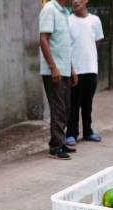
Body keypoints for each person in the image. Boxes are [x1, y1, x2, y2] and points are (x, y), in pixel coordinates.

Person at [40, 0, 77, 160]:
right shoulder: (49, 9)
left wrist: (71, 69)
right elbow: (43, 40)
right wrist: (53, 67)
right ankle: (55, 148)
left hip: (64, 69)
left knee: (66, 107)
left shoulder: (64, 12)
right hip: (54, 70)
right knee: (59, 108)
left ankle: (60, 141)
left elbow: (63, 45)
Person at [66, 0, 104, 146]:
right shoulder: (68, 21)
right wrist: (71, 69)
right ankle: (71, 134)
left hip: (91, 69)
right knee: (73, 105)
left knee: (88, 104)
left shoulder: (95, 20)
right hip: (75, 71)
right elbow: (65, 47)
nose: (75, 1)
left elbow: (97, 42)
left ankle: (88, 132)